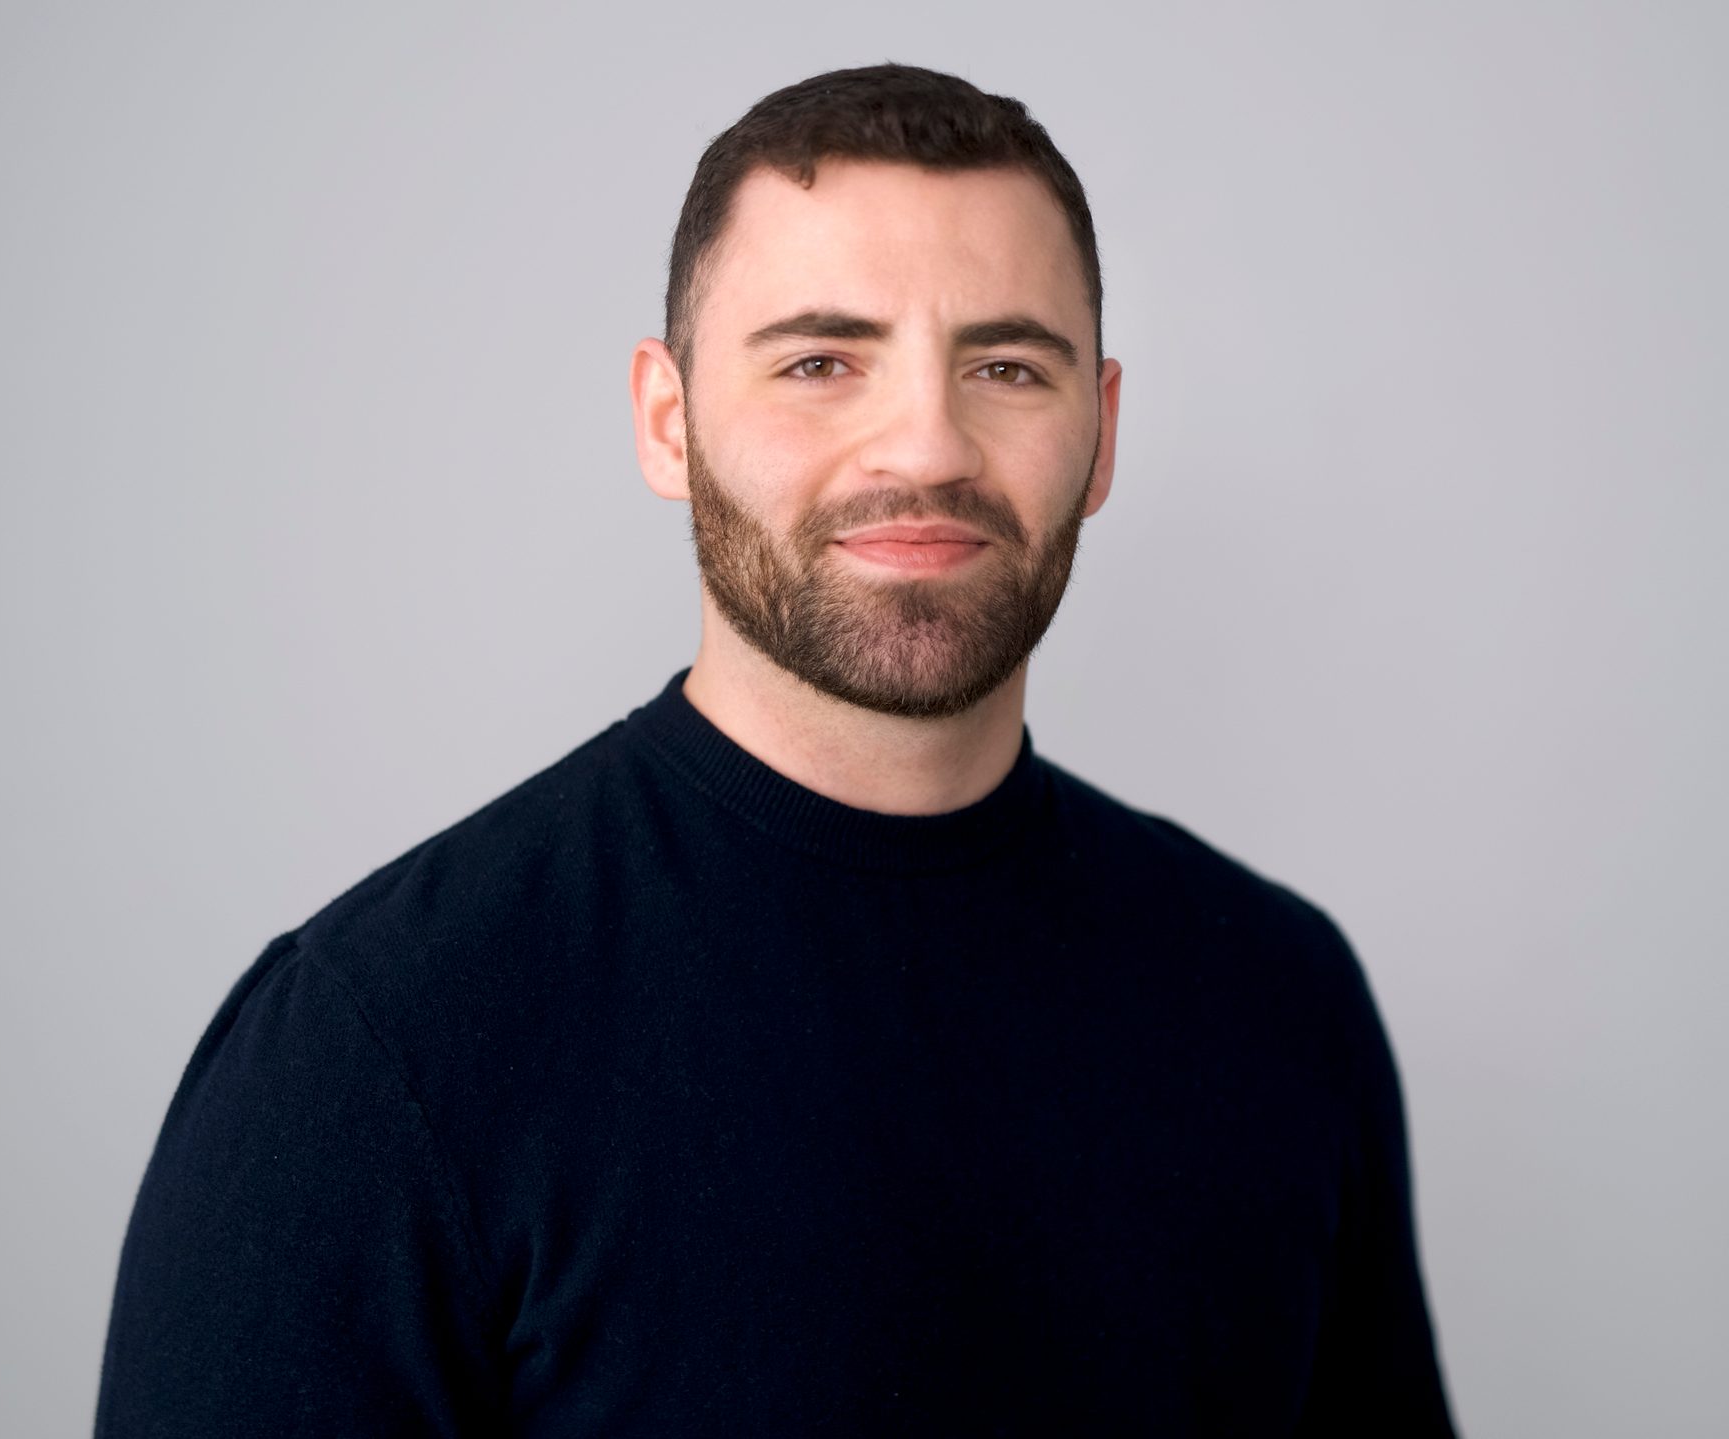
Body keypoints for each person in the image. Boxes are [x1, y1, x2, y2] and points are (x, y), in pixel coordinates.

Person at [97, 63, 1457, 1436]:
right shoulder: (373, 1053)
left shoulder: (1279, 1002)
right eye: (821, 361)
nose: (925, 443)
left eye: (1005, 365)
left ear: (1100, 430)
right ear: (667, 420)